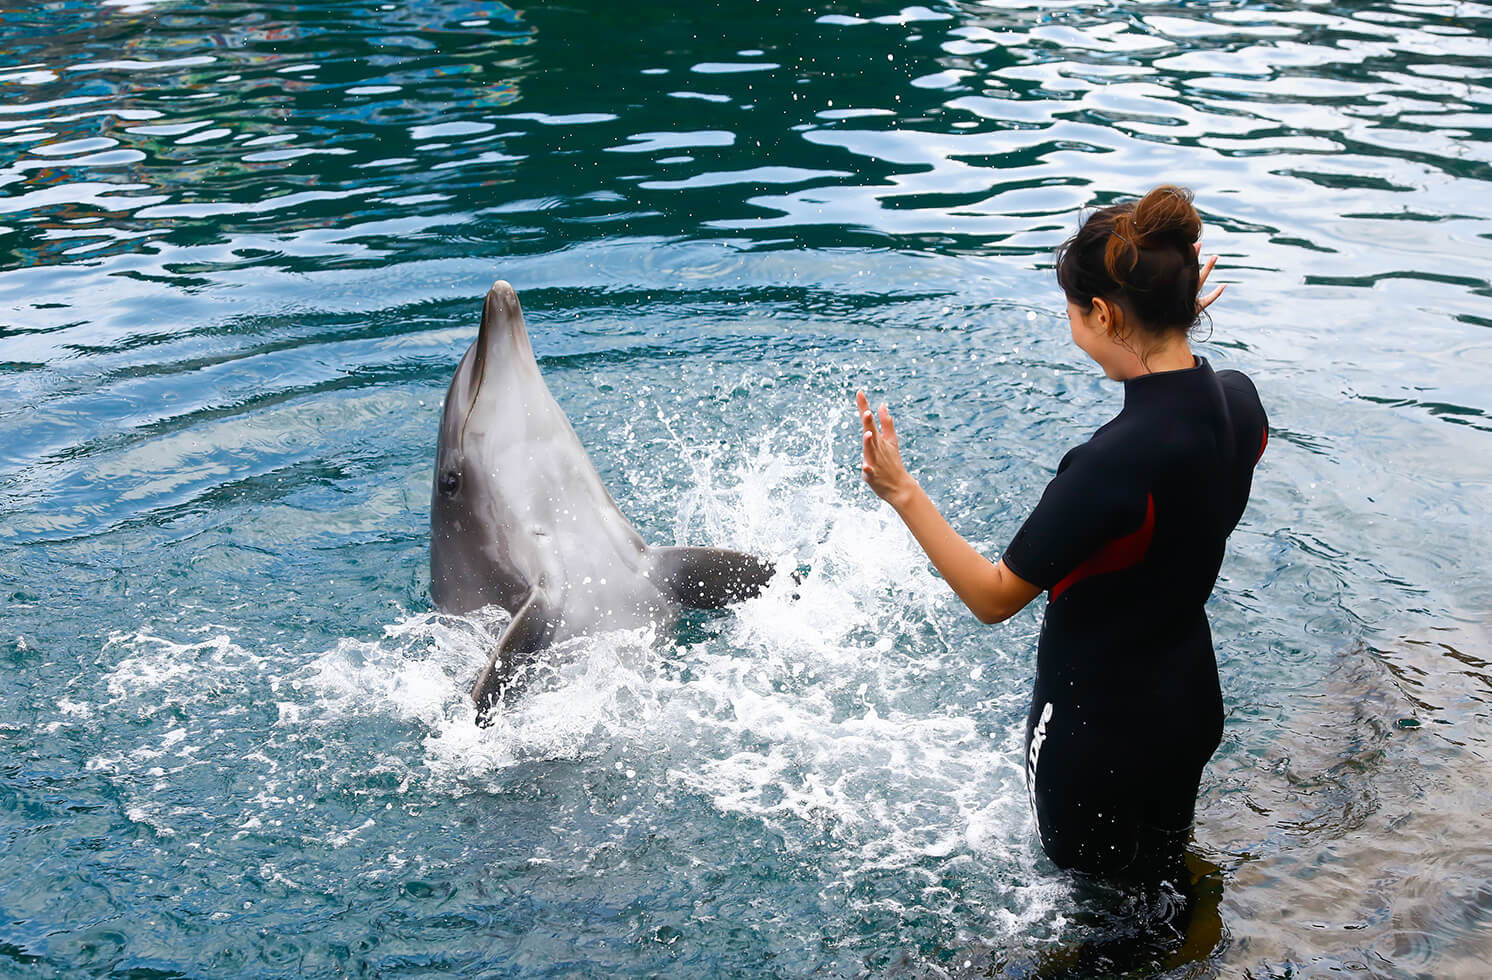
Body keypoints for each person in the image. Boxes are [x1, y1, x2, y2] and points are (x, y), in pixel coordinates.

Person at [857, 185, 1267, 885]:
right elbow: (1190, 412)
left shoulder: (1109, 466)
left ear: (1104, 314)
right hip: (1190, 705)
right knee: (1166, 878)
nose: (1072, 328)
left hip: (1098, 734)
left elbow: (992, 598)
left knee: (1095, 914)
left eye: (1074, 313)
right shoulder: (1239, 401)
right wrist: (1171, 321)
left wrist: (902, 492)